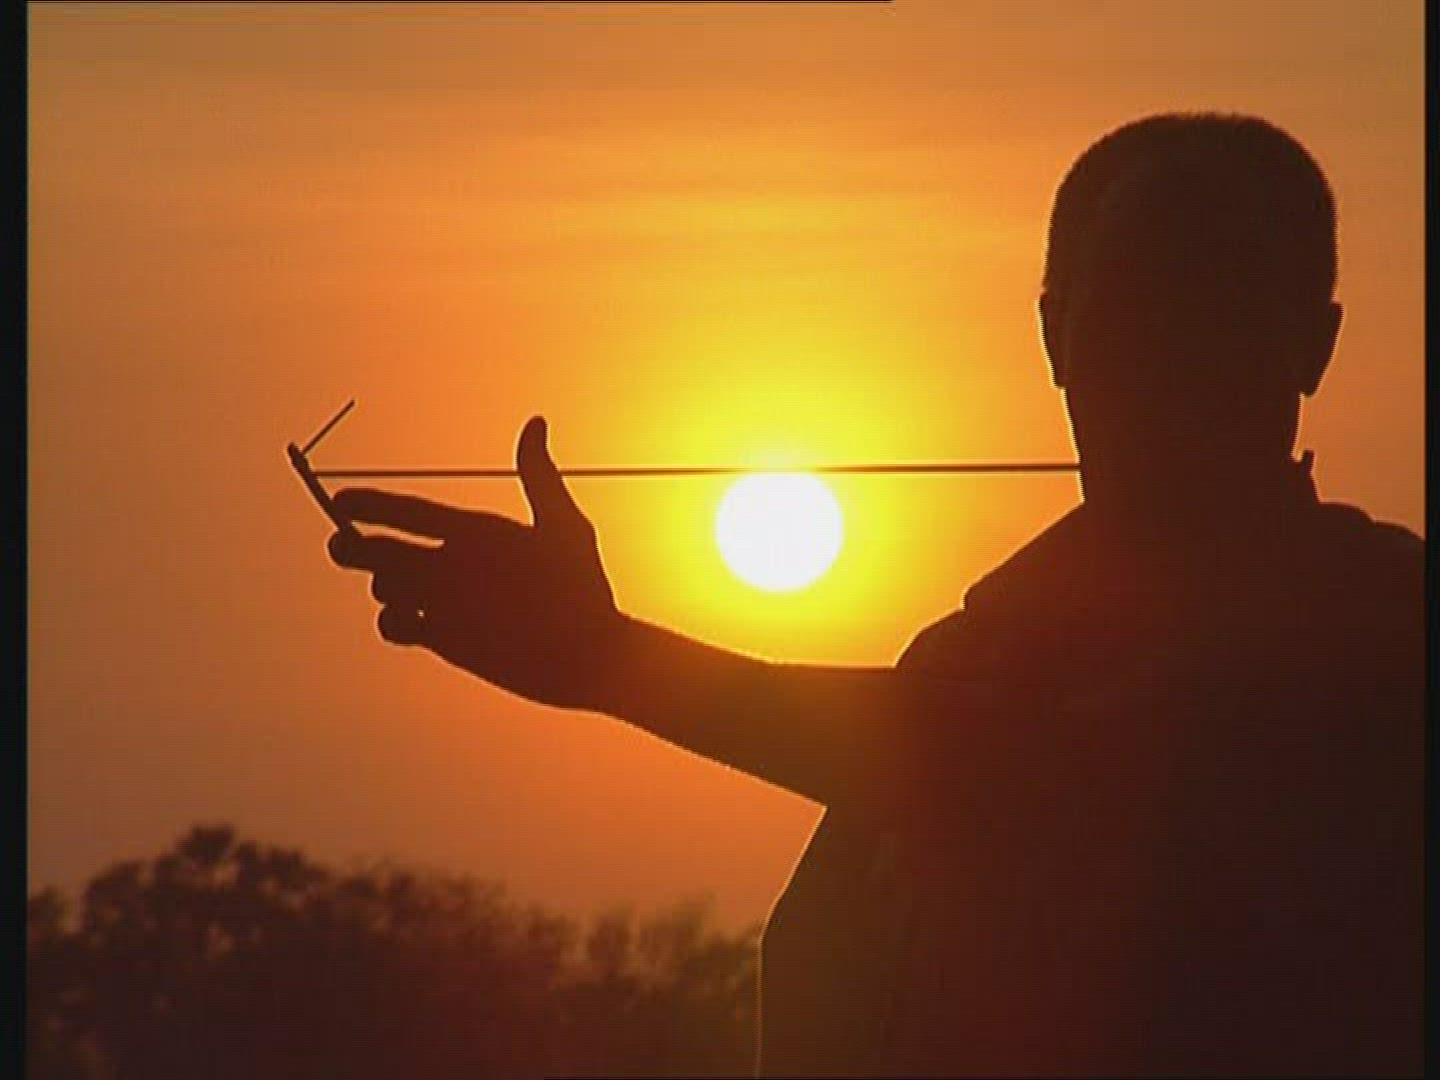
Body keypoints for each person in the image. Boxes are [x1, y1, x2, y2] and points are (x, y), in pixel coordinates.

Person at [325, 112, 1422, 1077]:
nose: (1170, 370)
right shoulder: (968, 652)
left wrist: (611, 661)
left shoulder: (1385, 626)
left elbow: (1033, 767)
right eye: (1135, 320)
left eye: (1223, 320)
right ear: (1055, 337)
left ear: (1312, 347)